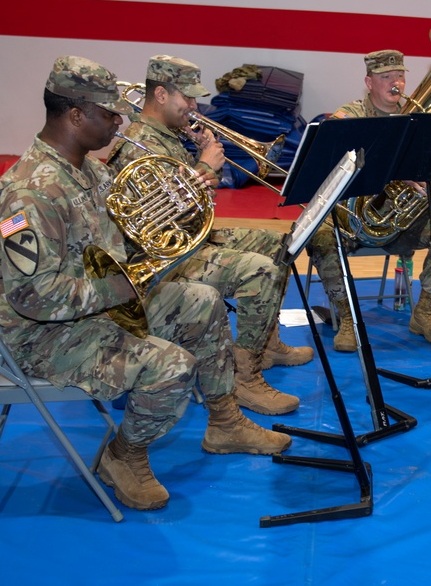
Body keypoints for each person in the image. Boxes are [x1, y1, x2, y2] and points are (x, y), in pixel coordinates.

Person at [0, 56, 292, 511]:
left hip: (100, 307)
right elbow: (33, 297)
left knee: (202, 299)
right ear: (76, 115)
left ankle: (224, 421)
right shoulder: (27, 193)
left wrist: (187, 189)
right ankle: (123, 456)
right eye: (109, 113)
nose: (119, 120)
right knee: (172, 366)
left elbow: (135, 220)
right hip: (47, 336)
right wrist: (124, 286)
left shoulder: (88, 168)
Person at [107, 55, 311, 417]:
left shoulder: (167, 136)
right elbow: (152, 224)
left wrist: (202, 174)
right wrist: (202, 170)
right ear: (160, 94)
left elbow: (183, 201)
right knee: (260, 270)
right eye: (186, 98)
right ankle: (244, 379)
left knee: (279, 243)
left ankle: (265, 344)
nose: (194, 106)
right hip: (165, 260)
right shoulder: (136, 144)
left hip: (190, 240)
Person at [307, 49, 431, 351]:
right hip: (351, 216)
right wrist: (391, 173)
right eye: (386, 77)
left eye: (400, 76)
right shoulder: (350, 116)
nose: (396, 83)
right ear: (369, 82)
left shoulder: (417, 119)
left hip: (399, 219)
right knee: (320, 234)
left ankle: (423, 313)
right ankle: (346, 318)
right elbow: (331, 161)